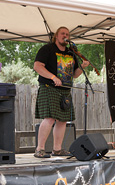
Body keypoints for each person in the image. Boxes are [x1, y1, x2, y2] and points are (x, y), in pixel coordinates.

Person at [33, 26, 89, 158]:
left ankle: (57, 149)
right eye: (63, 33)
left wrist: (82, 67)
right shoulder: (47, 49)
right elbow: (37, 66)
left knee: (63, 120)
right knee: (50, 118)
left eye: (67, 34)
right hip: (49, 87)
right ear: (56, 36)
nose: (65, 36)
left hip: (65, 90)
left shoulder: (71, 53)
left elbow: (74, 75)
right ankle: (39, 149)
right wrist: (53, 77)